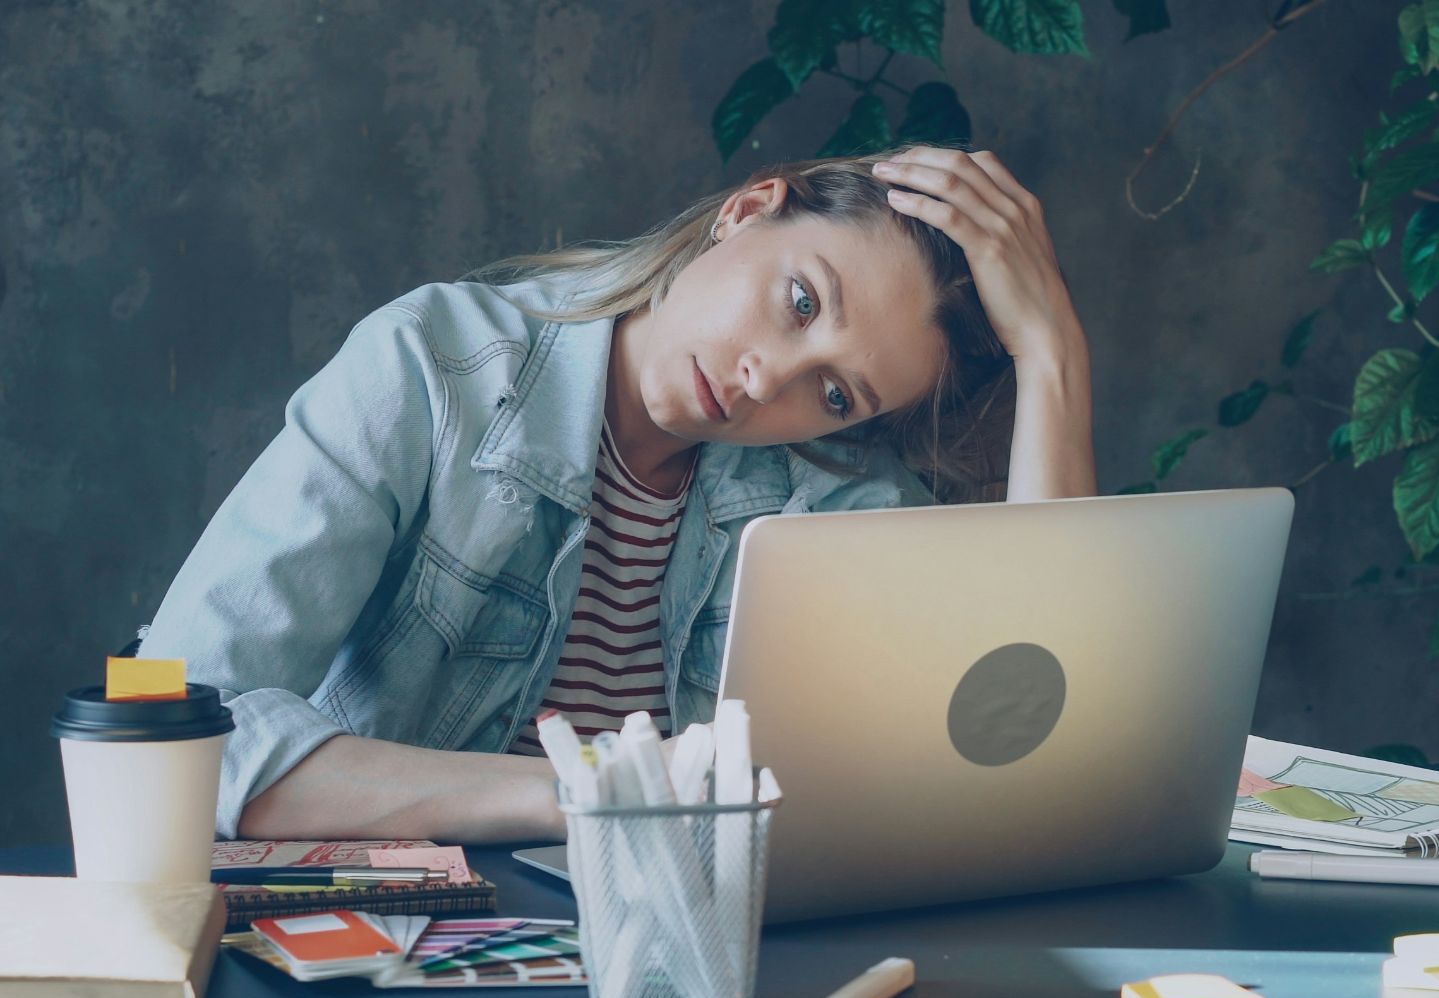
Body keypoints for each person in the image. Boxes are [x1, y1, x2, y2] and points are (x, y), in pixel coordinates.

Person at [137, 145, 1097, 843]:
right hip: (393, 958)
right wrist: (582, 794)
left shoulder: (836, 504)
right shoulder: (430, 366)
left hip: (688, 971)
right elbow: (160, 721)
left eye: (836, 393)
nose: (772, 381)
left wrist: (1051, 358)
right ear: (748, 210)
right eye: (802, 301)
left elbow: (1028, 765)